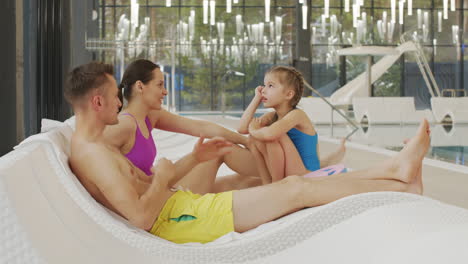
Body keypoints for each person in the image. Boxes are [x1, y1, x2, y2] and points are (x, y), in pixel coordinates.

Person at [66, 61, 428, 244]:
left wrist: (194, 159)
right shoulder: (95, 153)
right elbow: (142, 219)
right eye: (115, 94)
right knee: (295, 190)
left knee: (292, 187)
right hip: (176, 220)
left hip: (180, 206)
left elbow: (145, 185)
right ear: (98, 101)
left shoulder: (95, 144)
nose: (119, 99)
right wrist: (162, 176)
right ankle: (397, 176)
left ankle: (397, 172)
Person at [103, 59, 261, 192]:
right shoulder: (123, 124)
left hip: (161, 186)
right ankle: (277, 172)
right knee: (219, 149)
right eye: (159, 85)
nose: (165, 91)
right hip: (156, 196)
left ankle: (277, 174)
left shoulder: (150, 116)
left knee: (242, 182)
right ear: (140, 87)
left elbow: (201, 128)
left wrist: (245, 140)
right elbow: (102, 163)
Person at [238, 66, 346, 184]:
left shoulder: (297, 115)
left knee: (271, 134)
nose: (263, 90)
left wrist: (254, 129)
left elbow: (269, 134)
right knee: (255, 138)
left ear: (289, 95)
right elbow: (242, 128)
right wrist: (256, 99)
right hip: (290, 171)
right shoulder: (272, 116)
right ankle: (267, 182)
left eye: (270, 86)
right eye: (264, 85)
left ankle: (276, 183)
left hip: (306, 173)